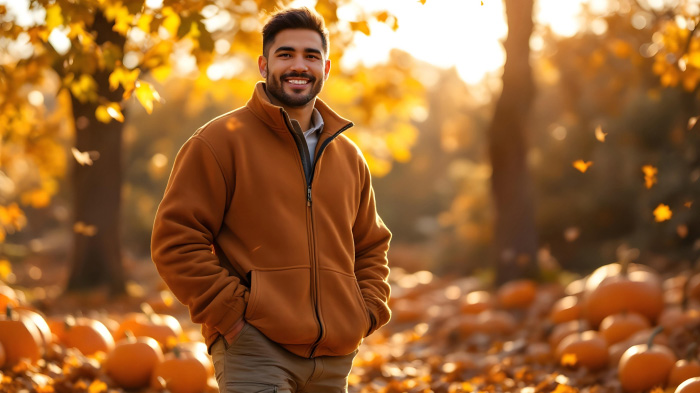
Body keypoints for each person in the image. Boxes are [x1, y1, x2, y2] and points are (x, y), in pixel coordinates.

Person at [150, 7, 392, 393]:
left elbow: (370, 246)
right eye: (286, 54)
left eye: (311, 56)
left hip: (334, 359)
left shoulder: (348, 157)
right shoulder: (218, 142)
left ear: (325, 69)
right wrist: (233, 319)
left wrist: (364, 313)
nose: (300, 65)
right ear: (264, 65)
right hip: (254, 349)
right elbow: (176, 241)